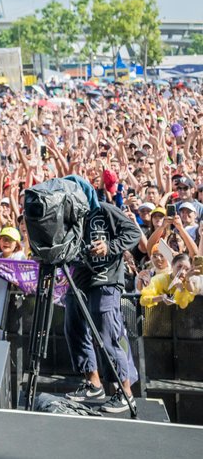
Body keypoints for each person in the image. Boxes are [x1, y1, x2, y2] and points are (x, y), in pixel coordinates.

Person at [62, 175, 143, 415]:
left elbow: (133, 233)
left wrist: (110, 247)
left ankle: (125, 392)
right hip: (80, 278)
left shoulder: (105, 209)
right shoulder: (69, 217)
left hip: (106, 279)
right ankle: (93, 383)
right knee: (73, 324)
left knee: (108, 332)